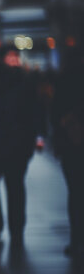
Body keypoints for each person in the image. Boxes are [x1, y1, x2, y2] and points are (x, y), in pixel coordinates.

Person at [0, 44, 44, 245]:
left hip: (16, 144)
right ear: (1, 58)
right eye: (10, 56)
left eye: (16, 56)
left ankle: (16, 226)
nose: (14, 61)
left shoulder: (26, 81)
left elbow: (35, 110)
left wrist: (37, 136)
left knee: (15, 187)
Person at [52, 46, 84, 258]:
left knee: (76, 193)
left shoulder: (64, 80)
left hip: (71, 144)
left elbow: (55, 113)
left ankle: (76, 240)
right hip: (72, 142)